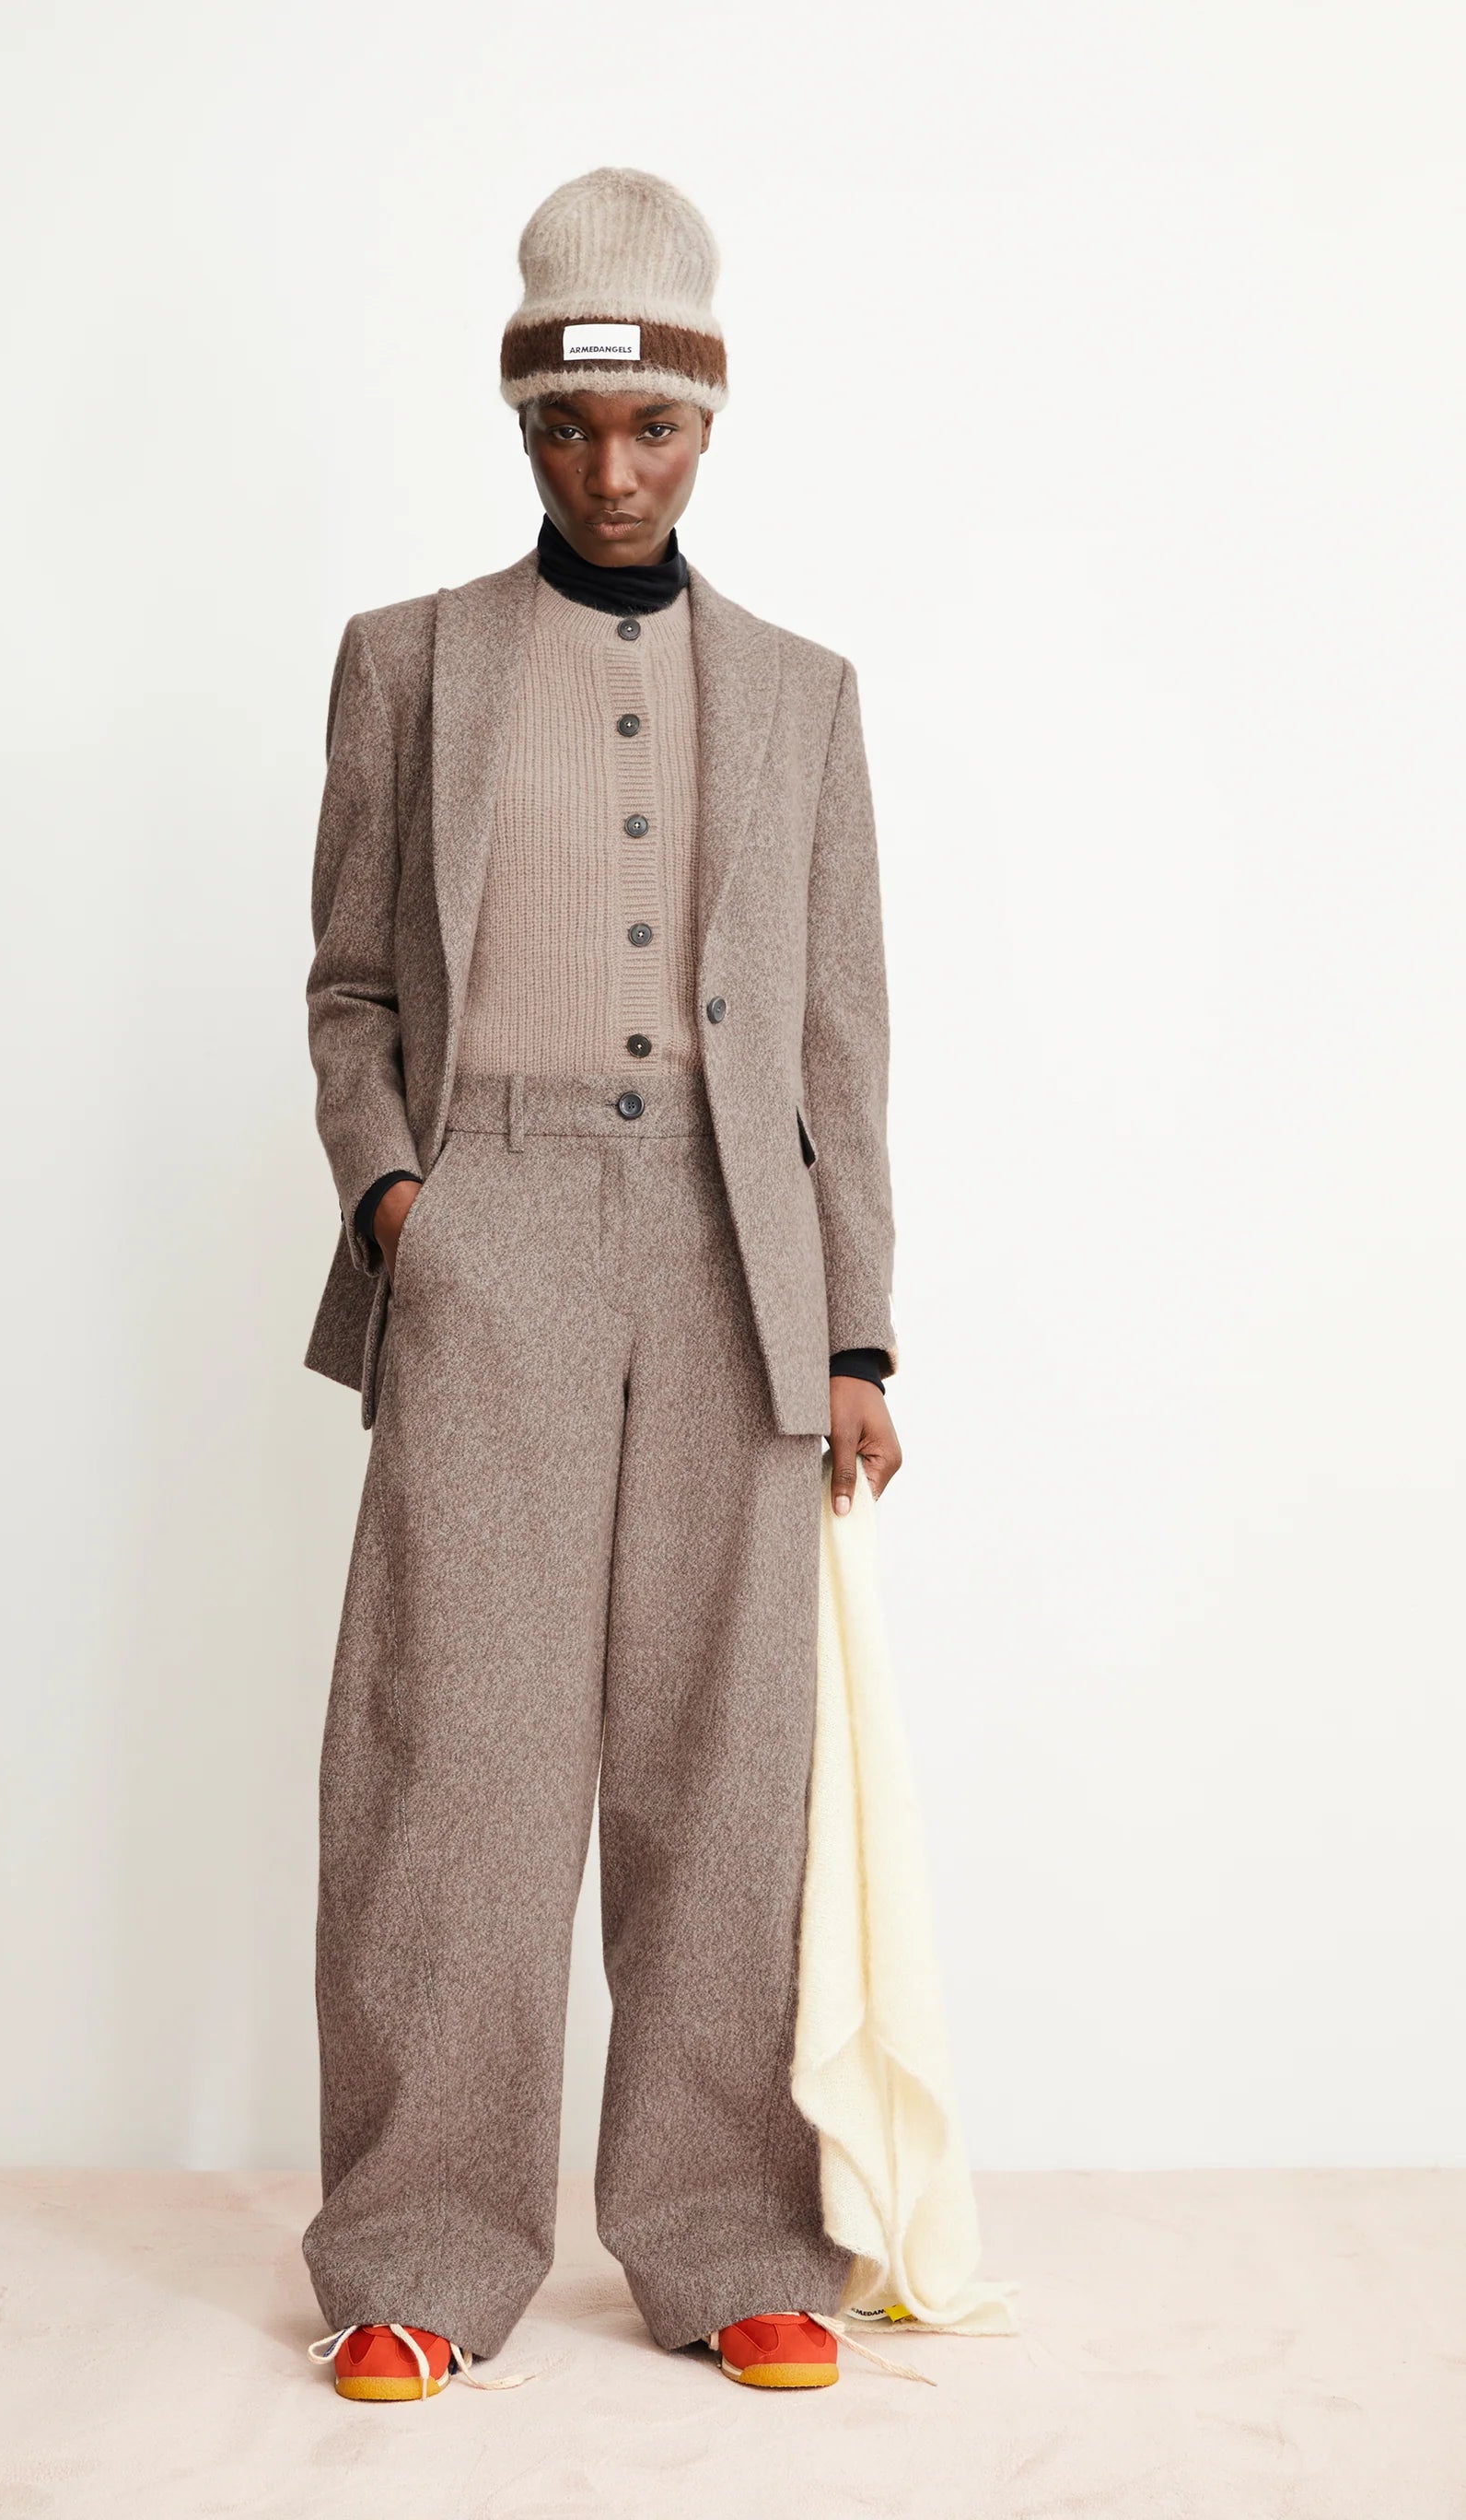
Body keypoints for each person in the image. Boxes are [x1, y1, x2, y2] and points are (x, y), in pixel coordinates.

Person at [300, 167, 901, 2401]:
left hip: (738, 1257)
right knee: (451, 1762)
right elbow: (349, 991)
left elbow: (836, 1042)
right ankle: (413, 2253)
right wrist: (402, 1207)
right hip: (494, 1234)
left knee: (719, 1775)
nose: (609, 470)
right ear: (520, 423)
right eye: (566, 428)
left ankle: (732, 2237)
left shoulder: (804, 697)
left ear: (708, 417)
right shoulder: (407, 663)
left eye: (649, 427)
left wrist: (855, 1329)